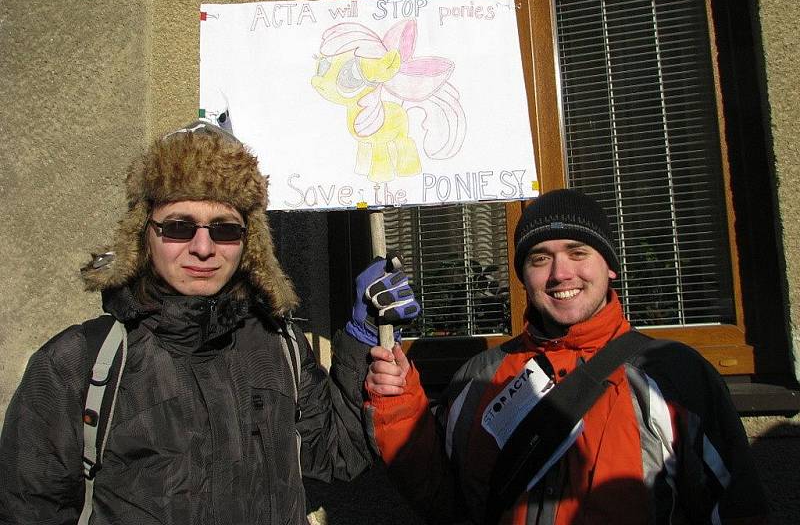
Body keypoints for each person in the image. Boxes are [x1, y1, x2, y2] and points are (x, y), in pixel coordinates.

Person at [0, 121, 375, 524]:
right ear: (144, 234)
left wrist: (364, 338)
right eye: (179, 227)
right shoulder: (79, 363)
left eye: (225, 229)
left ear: (250, 243)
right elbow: (27, 511)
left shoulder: (278, 346)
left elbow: (336, 454)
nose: (203, 248)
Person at [360, 188, 768, 524]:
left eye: (577, 252)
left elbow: (736, 509)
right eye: (540, 258)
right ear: (524, 276)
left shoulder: (676, 375)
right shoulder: (478, 378)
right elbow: (444, 502)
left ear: (609, 266)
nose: (560, 274)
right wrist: (397, 406)